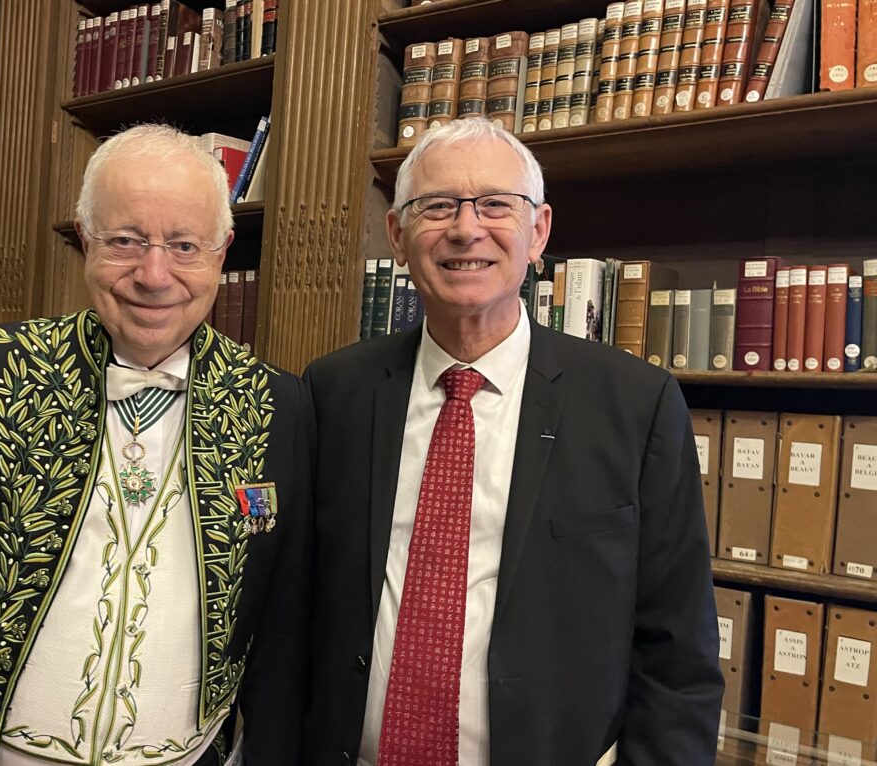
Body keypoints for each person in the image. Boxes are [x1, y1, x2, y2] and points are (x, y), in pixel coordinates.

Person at [0, 124, 312, 766]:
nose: (155, 275)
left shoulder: (279, 404)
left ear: (222, 250)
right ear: (85, 239)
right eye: (126, 241)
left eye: (184, 245)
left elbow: (280, 633)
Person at [301, 117, 722, 766]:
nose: (467, 228)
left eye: (497, 204)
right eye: (437, 206)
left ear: (539, 233)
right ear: (397, 234)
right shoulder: (334, 393)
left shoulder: (636, 406)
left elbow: (680, 656)